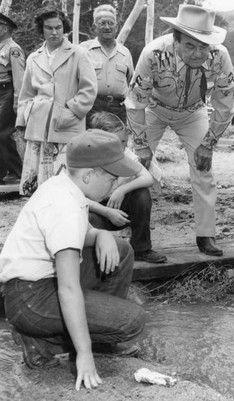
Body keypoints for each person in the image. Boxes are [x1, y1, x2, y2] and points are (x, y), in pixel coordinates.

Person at [0, 129, 146, 391]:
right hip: (30, 299)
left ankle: (98, 339)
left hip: (33, 286)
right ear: (89, 175)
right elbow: (68, 289)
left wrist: (101, 234)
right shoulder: (64, 207)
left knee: (121, 249)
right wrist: (84, 353)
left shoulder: (64, 185)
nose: (115, 185)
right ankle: (42, 343)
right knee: (131, 321)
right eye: (113, 178)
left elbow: (80, 235)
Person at [125, 4, 234, 257]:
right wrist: (141, 144)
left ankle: (206, 235)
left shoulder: (221, 56)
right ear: (176, 40)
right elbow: (135, 101)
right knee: (134, 167)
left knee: (203, 170)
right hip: (155, 108)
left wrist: (209, 143)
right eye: (190, 46)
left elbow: (225, 102)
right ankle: (134, 240)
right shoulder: (152, 53)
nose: (198, 54)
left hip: (193, 111)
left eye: (203, 46)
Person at [16, 8, 97, 196]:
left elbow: (89, 89)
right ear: (41, 29)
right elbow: (26, 93)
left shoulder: (78, 53)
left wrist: (69, 111)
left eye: (58, 27)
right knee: (38, 187)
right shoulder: (33, 57)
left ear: (65, 28)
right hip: (38, 125)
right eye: (49, 28)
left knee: (66, 182)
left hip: (66, 123)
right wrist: (24, 117)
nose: (54, 32)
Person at [87, 111, 166, 264]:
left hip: (120, 210)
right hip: (97, 211)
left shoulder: (125, 155)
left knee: (142, 194)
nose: (122, 146)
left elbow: (147, 178)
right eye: (118, 142)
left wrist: (121, 190)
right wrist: (107, 212)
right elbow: (77, 198)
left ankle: (141, 249)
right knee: (85, 218)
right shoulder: (87, 157)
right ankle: (94, 254)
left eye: (125, 141)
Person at [81, 5, 134, 123]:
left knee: (117, 140)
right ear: (95, 26)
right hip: (91, 107)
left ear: (117, 26)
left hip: (118, 109)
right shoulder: (83, 50)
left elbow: (130, 81)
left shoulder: (125, 53)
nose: (107, 27)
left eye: (111, 23)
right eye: (102, 23)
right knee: (91, 141)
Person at [0, 13, 24, 185]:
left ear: (5, 28)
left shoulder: (13, 49)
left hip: (8, 92)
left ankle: (16, 172)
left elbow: (19, 77)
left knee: (4, 133)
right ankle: (4, 173)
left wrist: (17, 100)